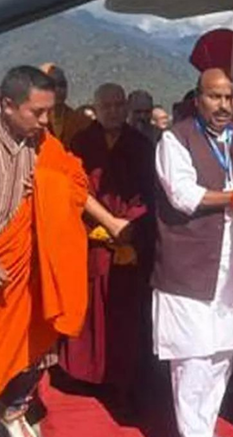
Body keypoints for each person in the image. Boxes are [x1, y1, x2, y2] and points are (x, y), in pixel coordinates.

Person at [0, 66, 130, 437]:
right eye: (37, 112)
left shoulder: (42, 142)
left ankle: (13, 414)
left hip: (28, 276)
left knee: (35, 354)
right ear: (8, 105)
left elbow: (72, 183)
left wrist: (49, 189)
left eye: (49, 112)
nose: (46, 121)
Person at [152, 68, 233, 437]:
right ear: (197, 99)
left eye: (229, 97)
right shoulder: (175, 138)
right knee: (191, 358)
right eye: (215, 97)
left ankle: (205, 428)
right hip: (189, 264)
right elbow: (184, 196)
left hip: (231, 265)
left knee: (222, 356)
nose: (223, 105)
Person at [59, 83, 157, 409]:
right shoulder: (82, 142)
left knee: (124, 313)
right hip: (93, 239)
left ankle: (122, 378)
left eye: (118, 105)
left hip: (130, 238)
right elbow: (73, 188)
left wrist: (129, 225)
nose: (113, 111)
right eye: (107, 106)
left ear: (126, 107)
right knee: (91, 311)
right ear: (96, 108)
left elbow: (150, 194)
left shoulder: (142, 145)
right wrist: (106, 226)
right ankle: (87, 375)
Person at [40, 63, 94, 147]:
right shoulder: (33, 123)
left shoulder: (78, 120)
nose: (58, 90)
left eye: (62, 85)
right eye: (52, 85)